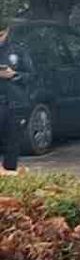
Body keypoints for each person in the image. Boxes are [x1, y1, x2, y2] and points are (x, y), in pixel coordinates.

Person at [0, 16, 29, 175]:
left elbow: (32, 76)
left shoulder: (17, 50)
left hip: (14, 104)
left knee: (12, 145)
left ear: (7, 32)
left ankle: (10, 178)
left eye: (1, 35)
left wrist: (15, 75)